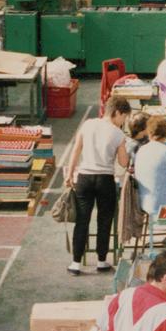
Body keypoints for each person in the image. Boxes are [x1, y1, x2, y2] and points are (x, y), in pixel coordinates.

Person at [64, 97, 131, 275]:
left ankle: (76, 263)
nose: (123, 122)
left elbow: (76, 149)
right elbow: (124, 162)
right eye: (123, 117)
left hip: (84, 178)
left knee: (82, 221)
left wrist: (70, 174)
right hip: (105, 180)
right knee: (104, 221)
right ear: (117, 112)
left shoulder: (88, 124)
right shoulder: (118, 134)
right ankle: (102, 261)